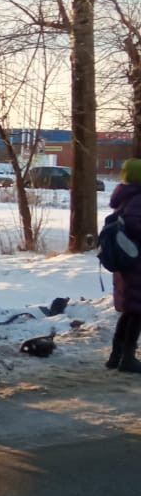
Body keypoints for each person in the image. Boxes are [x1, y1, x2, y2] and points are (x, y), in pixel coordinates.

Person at [107, 158, 141, 372]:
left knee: (131, 310)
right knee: (137, 311)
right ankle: (127, 359)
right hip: (137, 263)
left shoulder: (127, 196)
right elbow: (136, 226)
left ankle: (117, 356)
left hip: (130, 260)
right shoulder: (138, 198)